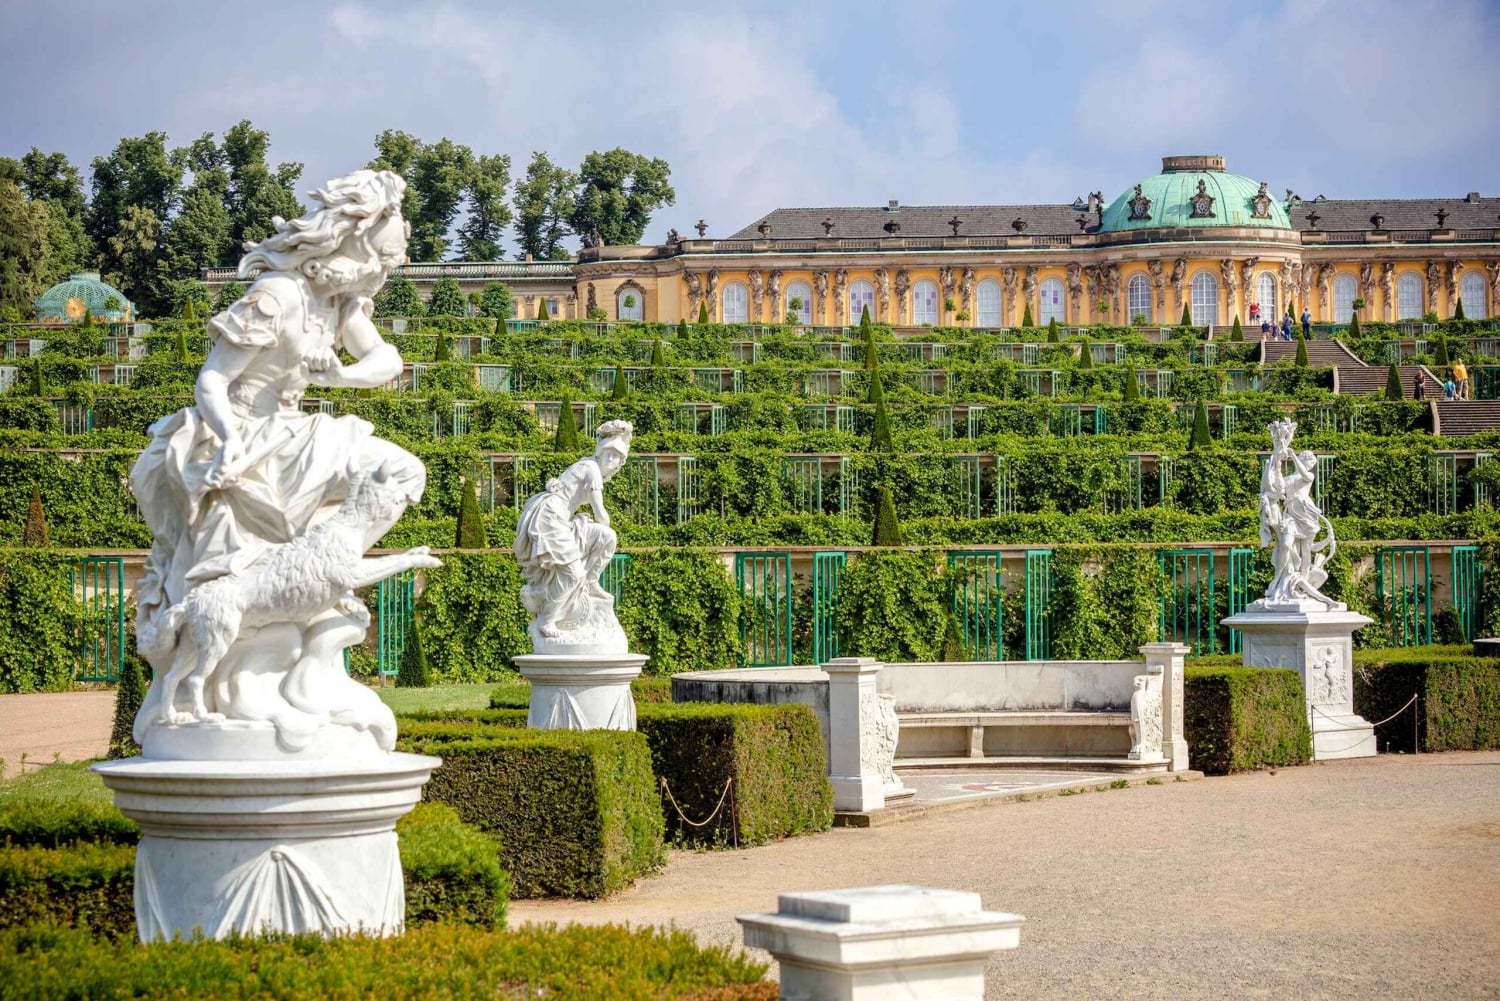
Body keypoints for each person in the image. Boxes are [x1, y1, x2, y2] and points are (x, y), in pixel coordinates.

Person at [513, 420, 634, 638]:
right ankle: (548, 619)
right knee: (573, 572)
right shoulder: (591, 468)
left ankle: (590, 581)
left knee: (607, 537)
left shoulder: (589, 468)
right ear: (600, 452)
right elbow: (600, 514)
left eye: (616, 457)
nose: (611, 460)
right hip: (550, 518)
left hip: (564, 520)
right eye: (608, 453)